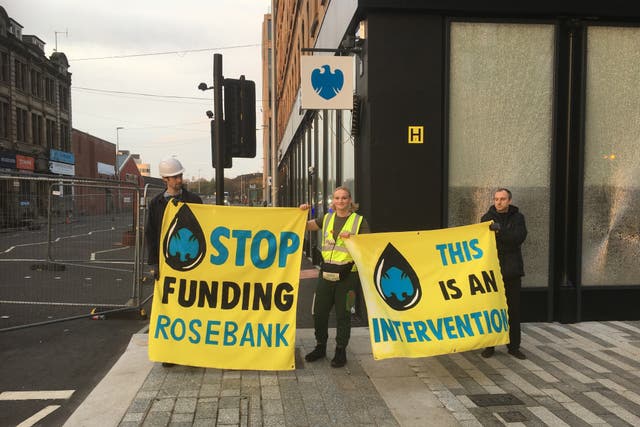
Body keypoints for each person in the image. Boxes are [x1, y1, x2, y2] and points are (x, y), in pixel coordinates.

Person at [299, 186, 369, 368]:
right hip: (326, 274)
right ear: (333, 201)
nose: (340, 201)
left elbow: (368, 245)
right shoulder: (327, 218)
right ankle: (320, 346)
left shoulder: (359, 221)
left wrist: (353, 238)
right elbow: (306, 226)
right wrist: (301, 213)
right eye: (337, 198)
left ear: (350, 200)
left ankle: (340, 350)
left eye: (344, 198)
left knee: (343, 314)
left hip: (348, 277)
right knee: (319, 313)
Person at [145, 156, 202, 367]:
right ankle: (171, 354)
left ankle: (192, 353)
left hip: (193, 261)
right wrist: (154, 265)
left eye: (179, 175)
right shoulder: (156, 203)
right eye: (174, 177)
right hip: (167, 263)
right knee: (171, 311)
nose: (178, 180)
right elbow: (151, 235)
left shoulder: (194, 200)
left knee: (191, 308)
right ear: (165, 179)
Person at [480, 188, 528, 360]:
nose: (498, 202)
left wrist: (500, 232)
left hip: (512, 271)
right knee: (491, 309)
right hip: (493, 271)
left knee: (513, 310)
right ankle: (489, 346)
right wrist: (503, 238)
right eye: (496, 199)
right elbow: (486, 243)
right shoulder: (486, 218)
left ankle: (513, 346)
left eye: (502, 199)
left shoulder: (518, 218)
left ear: (509, 200)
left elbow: (519, 238)